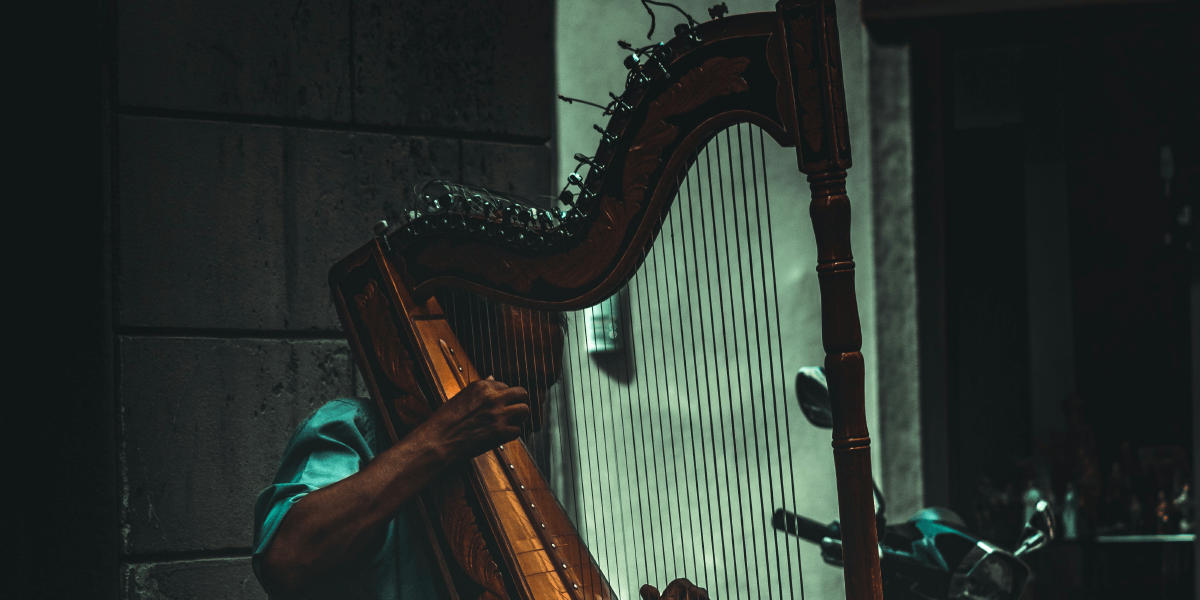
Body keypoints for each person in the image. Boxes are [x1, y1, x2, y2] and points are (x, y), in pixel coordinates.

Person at [254, 300, 563, 599]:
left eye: (545, 387)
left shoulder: (504, 470)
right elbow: (286, 563)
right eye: (520, 384)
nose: (535, 418)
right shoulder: (353, 427)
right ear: (458, 366)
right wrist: (441, 440)